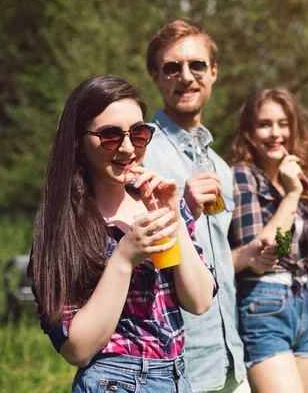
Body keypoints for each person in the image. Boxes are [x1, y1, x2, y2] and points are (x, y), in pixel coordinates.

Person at [29, 74, 216, 392]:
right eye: (110, 136)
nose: (129, 148)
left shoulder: (159, 203)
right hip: (114, 381)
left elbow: (199, 301)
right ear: (79, 139)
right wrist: (125, 256)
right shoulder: (63, 227)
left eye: (139, 133)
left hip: (177, 377)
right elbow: (77, 349)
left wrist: (173, 213)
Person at [142, 19, 247, 393]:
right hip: (172, 364)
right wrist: (182, 211)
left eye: (197, 65)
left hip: (231, 359)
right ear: (156, 76)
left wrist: (251, 254)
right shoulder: (140, 152)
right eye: (172, 67)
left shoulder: (220, 166)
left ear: (213, 73)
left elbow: (217, 259)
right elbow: (128, 255)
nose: (186, 76)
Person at [228, 88, 308, 393]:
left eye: (283, 124)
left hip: (304, 302)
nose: (275, 133)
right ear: (249, 132)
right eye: (264, 124)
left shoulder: (301, 180)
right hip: (264, 300)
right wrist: (292, 194)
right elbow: (263, 246)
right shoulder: (243, 176)